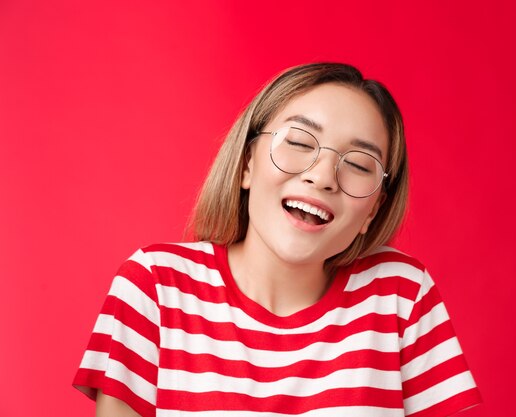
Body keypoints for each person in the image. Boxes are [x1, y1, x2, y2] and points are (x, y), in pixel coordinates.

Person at [73, 63, 481, 417]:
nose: (322, 176)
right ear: (247, 162)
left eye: (358, 164)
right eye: (300, 143)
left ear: (372, 211)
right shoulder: (155, 287)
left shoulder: (399, 296)